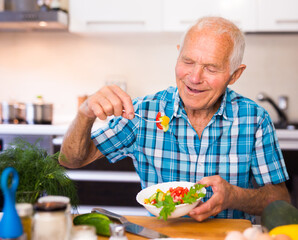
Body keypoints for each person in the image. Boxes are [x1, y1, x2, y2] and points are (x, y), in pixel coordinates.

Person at [59, 16, 290, 222]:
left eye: (211, 68)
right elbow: (70, 160)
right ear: (178, 53)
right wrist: (85, 113)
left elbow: (281, 201)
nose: (194, 77)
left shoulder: (255, 120)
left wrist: (235, 196)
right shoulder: (143, 113)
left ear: (234, 75)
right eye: (188, 62)